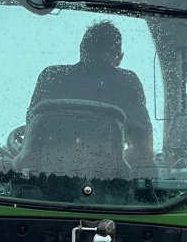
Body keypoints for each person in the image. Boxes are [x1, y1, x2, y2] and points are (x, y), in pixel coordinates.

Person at [26, 21, 154, 167]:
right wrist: (103, 164)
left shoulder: (51, 77)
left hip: (47, 179)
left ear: (82, 51)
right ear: (119, 56)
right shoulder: (128, 83)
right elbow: (144, 151)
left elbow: (31, 138)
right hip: (109, 183)